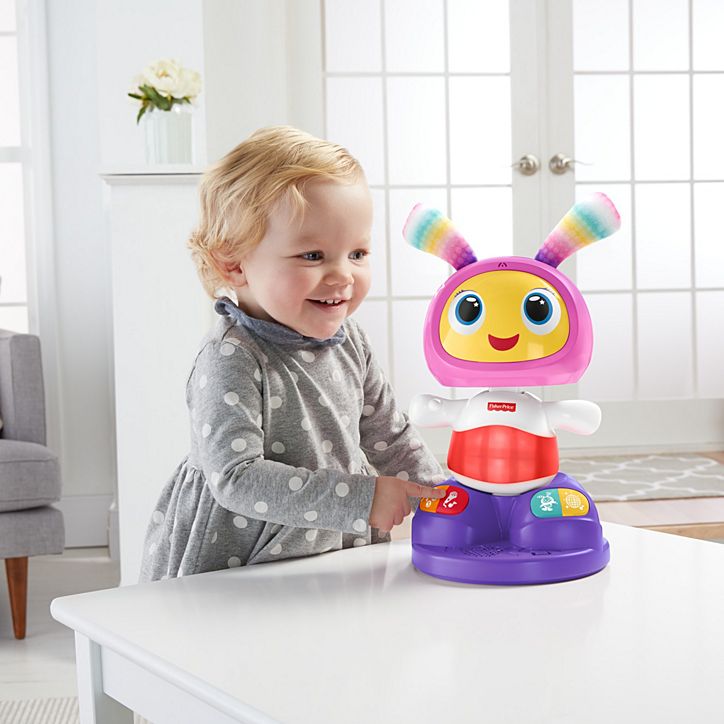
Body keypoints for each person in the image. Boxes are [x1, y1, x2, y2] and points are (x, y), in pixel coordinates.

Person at [139, 126, 446, 581]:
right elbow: (236, 477)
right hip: (239, 560)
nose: (343, 275)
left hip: (328, 545)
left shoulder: (350, 339)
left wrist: (444, 494)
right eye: (313, 256)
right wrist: (363, 500)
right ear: (234, 263)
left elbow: (389, 435)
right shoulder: (232, 356)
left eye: (358, 253)